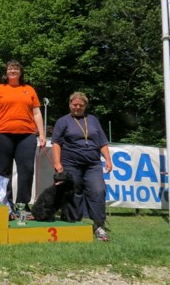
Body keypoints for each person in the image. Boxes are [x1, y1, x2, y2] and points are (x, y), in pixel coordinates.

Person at [0, 60, 45, 218]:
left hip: (27, 135)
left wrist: (42, 133)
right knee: (5, 171)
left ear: (20, 72)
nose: (13, 71)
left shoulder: (29, 90)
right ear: (6, 72)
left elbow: (37, 113)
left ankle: (23, 205)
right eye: (10, 68)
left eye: (16, 68)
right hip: (2, 134)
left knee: (27, 170)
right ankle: (7, 206)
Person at [50, 91, 112, 241]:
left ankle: (98, 225)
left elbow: (102, 142)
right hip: (71, 162)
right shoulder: (63, 121)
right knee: (73, 191)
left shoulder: (93, 120)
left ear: (85, 106)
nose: (77, 107)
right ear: (70, 104)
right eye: (74, 104)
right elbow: (56, 143)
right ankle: (74, 223)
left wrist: (108, 160)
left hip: (93, 164)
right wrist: (57, 163)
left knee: (98, 190)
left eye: (80, 105)